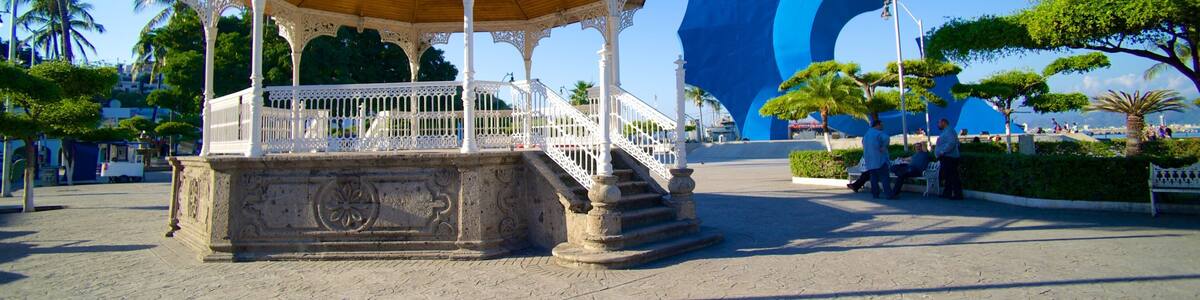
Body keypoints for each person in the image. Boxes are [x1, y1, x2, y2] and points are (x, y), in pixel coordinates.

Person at [862, 120, 892, 198]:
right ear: (877, 125)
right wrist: (884, 146)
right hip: (880, 159)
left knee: (873, 178)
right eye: (881, 125)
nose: (883, 127)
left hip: (869, 161)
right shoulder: (879, 133)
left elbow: (863, 143)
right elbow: (887, 138)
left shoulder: (866, 135)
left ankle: (875, 194)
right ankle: (888, 194)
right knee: (885, 177)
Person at [935, 118, 964, 200]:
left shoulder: (949, 131)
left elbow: (952, 143)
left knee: (953, 176)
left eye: (939, 123)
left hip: (950, 157)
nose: (938, 125)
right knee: (948, 176)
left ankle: (958, 194)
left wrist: (942, 151)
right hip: (947, 157)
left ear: (944, 122)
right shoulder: (946, 131)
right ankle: (947, 193)